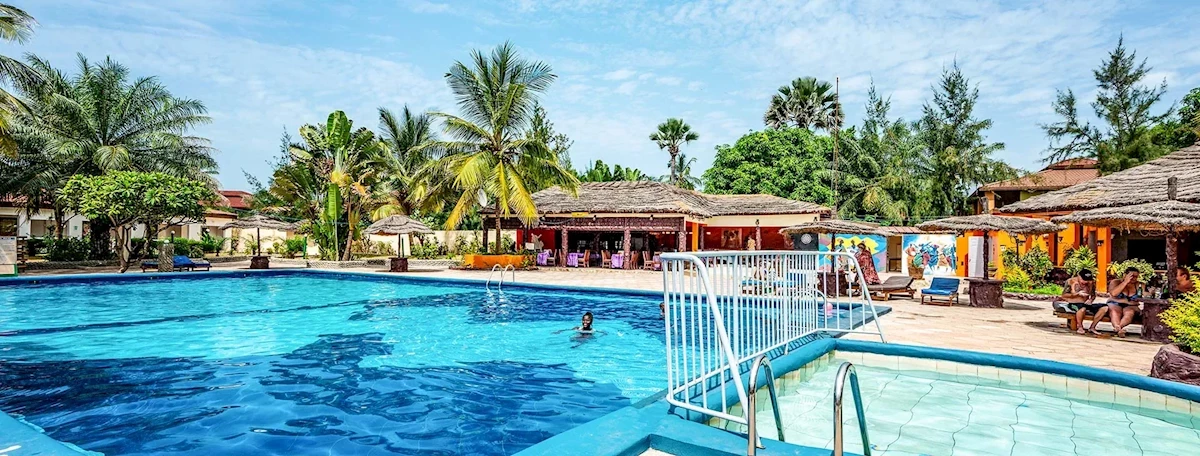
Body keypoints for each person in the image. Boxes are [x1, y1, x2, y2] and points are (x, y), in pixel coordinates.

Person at [1059, 270, 1103, 335]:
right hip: (1075, 303)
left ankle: (1092, 327)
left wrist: (1091, 300)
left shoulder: (1091, 283)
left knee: (1105, 307)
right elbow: (1064, 296)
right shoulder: (1071, 282)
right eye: (1083, 280)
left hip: (1086, 304)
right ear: (1079, 276)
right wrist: (1077, 294)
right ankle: (1080, 326)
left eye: (1087, 280)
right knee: (1082, 309)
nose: (1085, 282)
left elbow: (1093, 295)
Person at [1107, 267, 1141, 338]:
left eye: (1136, 277)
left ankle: (1118, 327)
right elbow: (1113, 294)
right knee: (1114, 310)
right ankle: (1118, 328)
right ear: (1125, 275)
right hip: (1115, 303)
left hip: (1131, 306)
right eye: (1132, 276)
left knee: (1129, 312)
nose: (1134, 278)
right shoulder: (1115, 282)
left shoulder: (1139, 285)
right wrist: (1125, 282)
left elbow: (1146, 295)